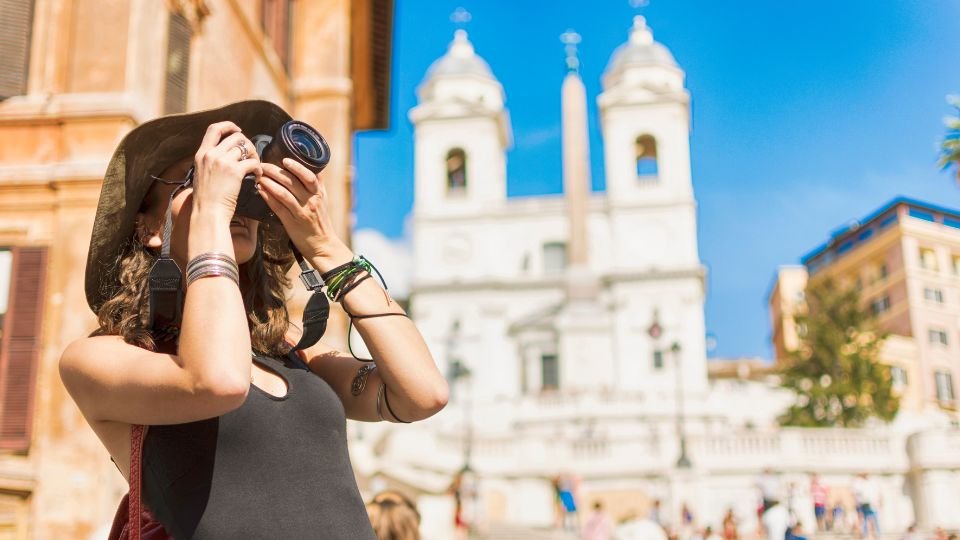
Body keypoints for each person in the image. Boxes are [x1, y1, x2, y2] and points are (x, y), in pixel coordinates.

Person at [59, 101, 449, 538]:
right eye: (199, 178)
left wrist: (327, 250)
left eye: (246, 184)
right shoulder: (96, 358)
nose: (233, 196)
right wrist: (212, 217)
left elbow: (423, 394)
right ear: (149, 228)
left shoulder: (295, 353)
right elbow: (218, 381)